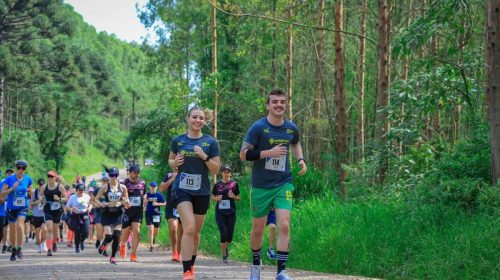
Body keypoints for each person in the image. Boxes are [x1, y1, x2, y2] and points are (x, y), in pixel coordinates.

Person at [240, 89, 307, 280]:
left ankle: (281, 271)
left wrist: (300, 159)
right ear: (268, 105)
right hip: (261, 185)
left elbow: (295, 143)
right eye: (275, 102)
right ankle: (255, 264)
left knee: (284, 224)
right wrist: (266, 153)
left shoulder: (291, 128)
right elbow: (243, 154)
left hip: (283, 183)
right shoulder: (258, 128)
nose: (279, 105)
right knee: (258, 229)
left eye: (282, 102)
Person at [168, 106, 221, 280]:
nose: (198, 120)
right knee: (189, 227)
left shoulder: (211, 142)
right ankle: (186, 271)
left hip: (202, 191)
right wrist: (174, 162)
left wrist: (205, 157)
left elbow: (216, 169)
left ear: (204, 121)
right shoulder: (178, 140)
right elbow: (170, 160)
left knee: (196, 232)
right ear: (188, 118)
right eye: (194, 117)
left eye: (201, 118)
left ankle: (191, 264)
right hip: (182, 189)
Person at [93, 167, 129, 264]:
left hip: (118, 213)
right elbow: (96, 199)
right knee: (109, 236)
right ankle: (103, 244)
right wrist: (102, 204)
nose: (113, 177)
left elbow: (127, 201)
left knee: (117, 236)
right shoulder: (105, 187)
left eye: (115, 175)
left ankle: (112, 257)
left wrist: (125, 202)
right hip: (108, 213)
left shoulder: (123, 187)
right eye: (111, 175)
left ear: (118, 176)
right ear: (109, 176)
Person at [1, 160, 33, 261]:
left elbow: (30, 194)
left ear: (25, 169)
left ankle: (19, 249)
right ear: (16, 168)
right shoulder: (9, 179)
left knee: (20, 226)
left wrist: (29, 192)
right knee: (13, 229)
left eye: (23, 168)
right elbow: (2, 194)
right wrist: (11, 189)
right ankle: (14, 249)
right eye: (19, 167)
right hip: (11, 208)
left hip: (23, 207)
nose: (20, 170)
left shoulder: (28, 179)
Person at [211, 164, 240, 263]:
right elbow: (212, 197)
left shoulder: (234, 184)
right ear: (221, 173)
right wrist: (216, 198)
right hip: (220, 213)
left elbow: (239, 197)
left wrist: (233, 197)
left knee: (229, 236)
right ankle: (224, 256)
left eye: (228, 172)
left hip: (231, 212)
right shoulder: (217, 185)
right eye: (224, 172)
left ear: (230, 173)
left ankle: (225, 248)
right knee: (223, 233)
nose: (226, 174)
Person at [119, 164, 145, 262]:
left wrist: (145, 201)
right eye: (135, 172)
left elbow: (144, 194)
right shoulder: (124, 183)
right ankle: (122, 244)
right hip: (127, 211)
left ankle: (133, 254)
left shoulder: (142, 183)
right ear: (129, 173)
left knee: (137, 231)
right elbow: (120, 196)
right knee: (125, 233)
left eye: (138, 172)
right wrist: (124, 201)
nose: (137, 174)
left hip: (138, 211)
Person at [39, 171, 67, 256]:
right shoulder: (44, 186)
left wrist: (59, 199)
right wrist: (41, 199)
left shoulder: (60, 186)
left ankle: (54, 242)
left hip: (57, 209)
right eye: (48, 176)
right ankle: (49, 249)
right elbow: (40, 196)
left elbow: (66, 198)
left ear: (55, 177)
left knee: (55, 230)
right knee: (49, 229)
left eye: (51, 176)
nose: (50, 178)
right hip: (47, 209)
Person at [159, 170, 181, 262]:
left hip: (184, 206)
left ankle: (179, 252)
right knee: (173, 228)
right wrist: (172, 178)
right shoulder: (169, 175)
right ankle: (174, 252)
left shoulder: (188, 173)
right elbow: (161, 188)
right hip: (172, 206)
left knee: (182, 232)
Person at [66, 183, 92, 253]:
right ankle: (77, 247)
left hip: (84, 214)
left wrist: (89, 208)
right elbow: (67, 207)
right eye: (79, 190)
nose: (81, 192)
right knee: (77, 232)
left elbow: (90, 204)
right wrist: (72, 209)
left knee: (86, 232)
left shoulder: (87, 196)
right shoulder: (72, 197)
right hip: (75, 215)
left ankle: (82, 241)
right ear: (76, 190)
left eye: (82, 190)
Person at [145, 182, 166, 252]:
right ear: (150, 187)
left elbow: (165, 203)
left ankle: (153, 237)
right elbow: (144, 201)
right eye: (152, 186)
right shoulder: (147, 195)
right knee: (151, 230)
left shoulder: (159, 195)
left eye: (155, 186)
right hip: (148, 214)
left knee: (156, 231)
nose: (153, 188)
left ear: (156, 187)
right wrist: (144, 206)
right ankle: (151, 246)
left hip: (157, 215)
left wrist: (157, 203)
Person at [90, 175, 108, 250]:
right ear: (101, 182)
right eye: (104, 181)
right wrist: (96, 205)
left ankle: (104, 248)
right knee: (100, 233)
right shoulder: (97, 190)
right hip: (99, 212)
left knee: (107, 232)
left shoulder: (111, 190)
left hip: (108, 213)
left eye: (107, 180)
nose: (105, 182)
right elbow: (91, 200)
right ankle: (98, 240)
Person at [30, 179, 47, 253]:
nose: (41, 187)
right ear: (38, 185)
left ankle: (43, 243)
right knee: (37, 231)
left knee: (45, 229)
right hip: (36, 214)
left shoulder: (47, 192)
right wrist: (37, 202)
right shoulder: (35, 192)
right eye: (40, 185)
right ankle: (39, 246)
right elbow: (31, 203)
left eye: (42, 185)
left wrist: (45, 202)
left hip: (44, 214)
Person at [1, 168, 14, 254]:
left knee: (11, 227)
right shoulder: (2, 182)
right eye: (8, 172)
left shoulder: (14, 183)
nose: (9, 174)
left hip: (12, 207)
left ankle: (11, 245)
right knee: (5, 228)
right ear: (5, 174)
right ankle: (5, 245)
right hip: (3, 207)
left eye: (11, 173)